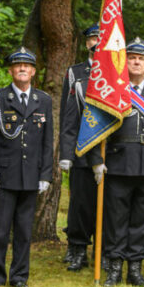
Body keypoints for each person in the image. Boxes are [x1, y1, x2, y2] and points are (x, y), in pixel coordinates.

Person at [88, 39, 144, 287]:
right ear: (124, 62)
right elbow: (96, 127)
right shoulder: (111, 90)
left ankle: (135, 269)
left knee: (141, 220)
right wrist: (97, 160)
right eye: (132, 58)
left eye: (141, 58)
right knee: (115, 219)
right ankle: (114, 268)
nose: (136, 62)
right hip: (118, 163)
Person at [0, 47, 53, 287]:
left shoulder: (43, 100)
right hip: (5, 176)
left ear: (33, 71)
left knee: (24, 231)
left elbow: (47, 142)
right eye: (18, 65)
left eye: (27, 66)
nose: (22, 69)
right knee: (1, 231)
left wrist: (45, 175)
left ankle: (20, 277)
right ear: (11, 71)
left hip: (31, 176)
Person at [58, 24, 101, 272]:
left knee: (107, 206)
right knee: (80, 204)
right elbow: (68, 114)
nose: (97, 42)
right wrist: (66, 152)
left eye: (101, 38)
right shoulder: (75, 73)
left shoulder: (118, 73)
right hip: (82, 150)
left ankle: (103, 249)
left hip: (109, 152)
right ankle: (77, 248)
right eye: (93, 38)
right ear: (87, 43)